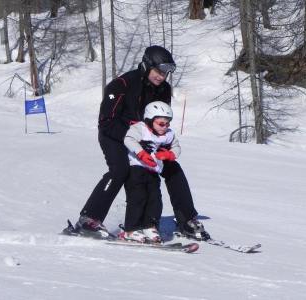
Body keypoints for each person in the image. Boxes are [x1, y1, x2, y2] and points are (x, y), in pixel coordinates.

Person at [74, 45, 210, 241]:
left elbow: (160, 119)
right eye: (158, 71)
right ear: (147, 66)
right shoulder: (121, 85)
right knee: (120, 169)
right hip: (115, 136)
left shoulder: (164, 89)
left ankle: (186, 221)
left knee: (172, 167)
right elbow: (106, 123)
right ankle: (89, 218)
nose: (161, 76)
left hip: (146, 139)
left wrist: (164, 149)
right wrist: (134, 138)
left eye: (165, 72)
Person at [121, 101, 179, 243]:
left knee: (155, 200)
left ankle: (150, 226)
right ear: (150, 119)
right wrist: (141, 153)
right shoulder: (140, 128)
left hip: (153, 172)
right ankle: (131, 229)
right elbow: (128, 140)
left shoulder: (168, 135)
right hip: (136, 169)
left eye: (167, 124)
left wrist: (170, 155)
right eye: (161, 123)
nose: (165, 127)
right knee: (138, 199)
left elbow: (177, 147)